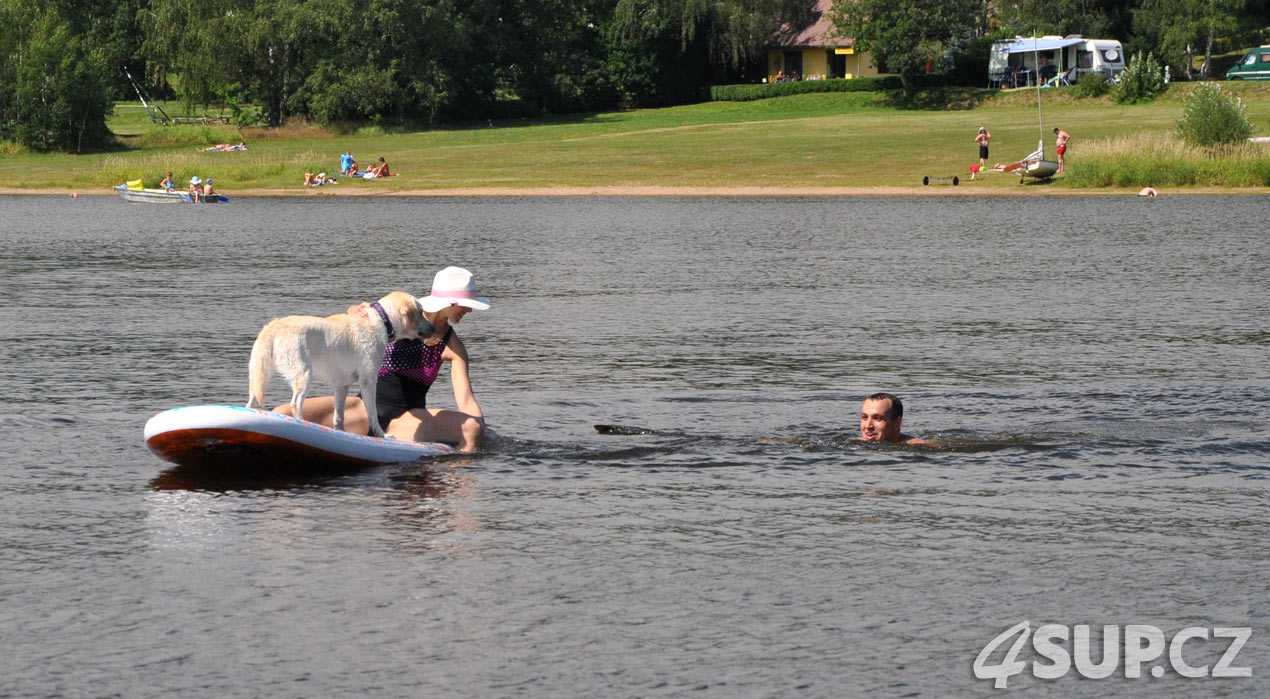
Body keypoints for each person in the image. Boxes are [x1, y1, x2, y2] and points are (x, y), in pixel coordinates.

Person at [274, 266, 491, 452]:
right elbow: (353, 325)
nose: (470, 310)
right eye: (466, 304)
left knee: (472, 428)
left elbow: (466, 399)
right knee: (280, 414)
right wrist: (353, 309)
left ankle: (462, 479)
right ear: (450, 303)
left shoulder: (453, 347)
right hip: (360, 409)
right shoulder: (400, 315)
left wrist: (483, 430)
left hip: (405, 419)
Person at [859, 392, 928, 445]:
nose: (868, 426)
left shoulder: (918, 447)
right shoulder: (856, 444)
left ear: (897, 423)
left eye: (877, 418)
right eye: (864, 417)